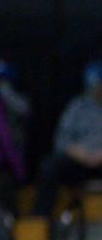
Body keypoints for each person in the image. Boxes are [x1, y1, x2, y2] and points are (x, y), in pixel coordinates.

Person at [33, 59, 102, 216]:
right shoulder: (78, 106)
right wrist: (77, 152)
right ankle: (40, 219)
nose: (98, 89)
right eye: (96, 85)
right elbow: (61, 141)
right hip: (80, 162)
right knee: (50, 166)